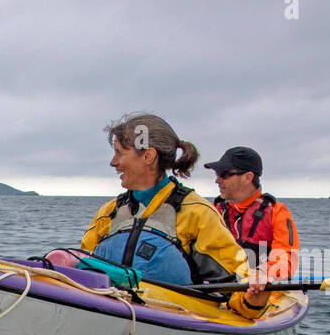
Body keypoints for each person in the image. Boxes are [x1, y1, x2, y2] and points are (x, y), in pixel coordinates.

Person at [78, 113, 248, 287]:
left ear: (148, 156)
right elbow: (79, 267)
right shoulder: (108, 213)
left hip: (173, 311)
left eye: (120, 153)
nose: (113, 162)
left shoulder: (198, 214)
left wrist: (253, 298)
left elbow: (237, 286)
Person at [206, 146, 300, 320]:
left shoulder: (277, 213)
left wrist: (263, 273)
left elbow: (286, 258)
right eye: (217, 174)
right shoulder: (213, 211)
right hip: (219, 288)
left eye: (224, 174)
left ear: (248, 177)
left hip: (259, 292)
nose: (217, 180)